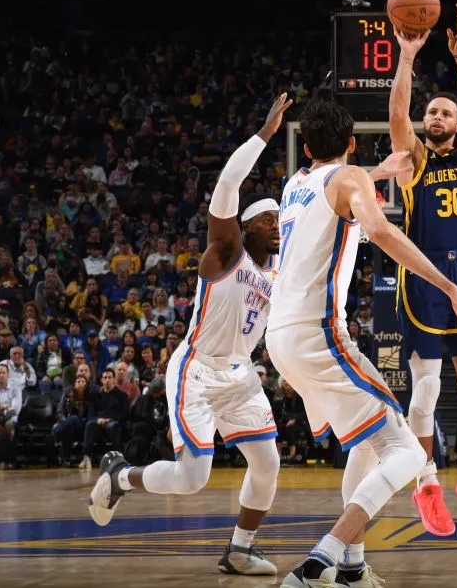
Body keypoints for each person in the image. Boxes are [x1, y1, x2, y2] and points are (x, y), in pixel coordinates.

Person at [266, 100, 457, 588]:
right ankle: (317, 564)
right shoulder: (351, 181)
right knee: (408, 453)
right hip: (318, 335)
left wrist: (379, 171)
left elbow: (340, 188)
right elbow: (380, 229)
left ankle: (352, 567)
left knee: (369, 446)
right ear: (350, 143)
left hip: (279, 338)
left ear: (305, 148)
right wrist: (452, 289)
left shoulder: (294, 186)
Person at [86, 94, 293, 577]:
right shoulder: (224, 252)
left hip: (240, 376)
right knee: (191, 478)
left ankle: (239, 549)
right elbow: (226, 185)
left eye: (277, 221)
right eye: (268, 222)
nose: (277, 228)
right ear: (247, 228)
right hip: (196, 371)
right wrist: (264, 135)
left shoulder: (278, 265)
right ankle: (121, 476)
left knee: (268, 464)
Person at [388, 10, 457, 536]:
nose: (436, 116)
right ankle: (427, 483)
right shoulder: (413, 163)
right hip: (424, 280)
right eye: (431, 110)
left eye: (444, 112)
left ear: (456, 125)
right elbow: (396, 119)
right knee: (427, 390)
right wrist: (407, 57)